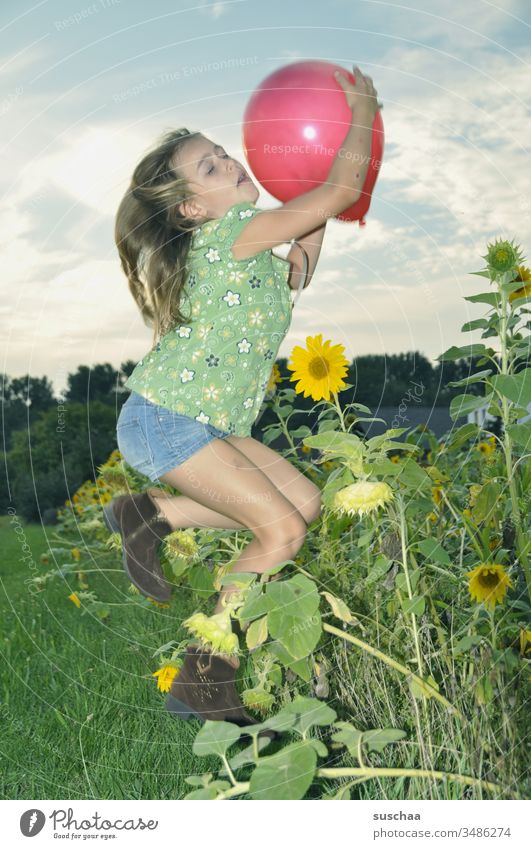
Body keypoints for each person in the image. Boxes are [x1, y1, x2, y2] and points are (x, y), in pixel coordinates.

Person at [106, 65, 380, 724]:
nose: (228, 159)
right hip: (169, 420)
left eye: (223, 151)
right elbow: (338, 189)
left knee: (303, 503)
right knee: (278, 529)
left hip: (201, 424)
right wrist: (361, 116)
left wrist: (305, 188)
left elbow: (305, 256)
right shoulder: (230, 236)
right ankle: (205, 674)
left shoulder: (256, 254)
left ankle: (153, 514)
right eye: (209, 165)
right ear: (192, 209)